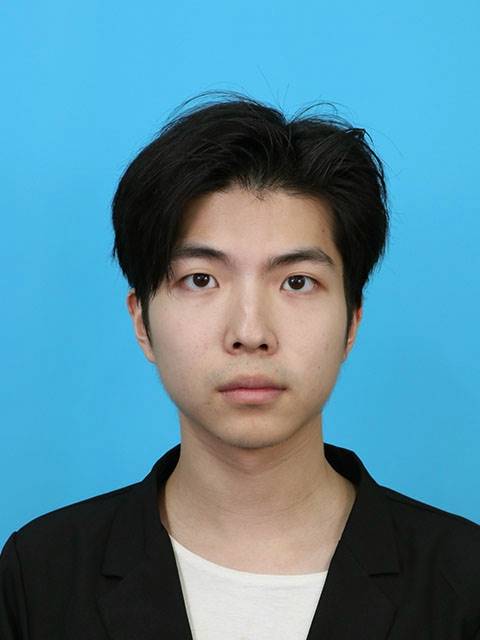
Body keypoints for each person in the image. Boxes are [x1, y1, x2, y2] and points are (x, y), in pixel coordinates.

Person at [1, 91, 479, 640]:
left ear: (351, 321)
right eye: (200, 279)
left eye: (297, 282)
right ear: (142, 322)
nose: (250, 333)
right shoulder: (40, 577)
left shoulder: (464, 582)